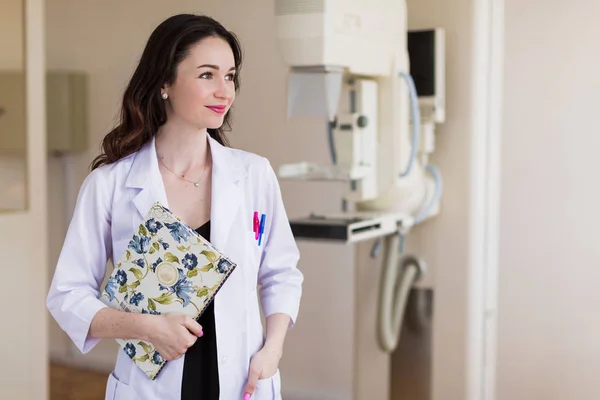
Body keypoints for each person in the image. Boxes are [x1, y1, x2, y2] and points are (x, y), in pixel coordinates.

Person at [46, 13, 303, 400]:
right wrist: (147, 328)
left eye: (230, 76)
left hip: (243, 382)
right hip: (150, 386)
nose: (224, 91)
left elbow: (281, 272)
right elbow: (68, 295)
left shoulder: (253, 175)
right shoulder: (111, 185)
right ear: (164, 82)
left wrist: (274, 348)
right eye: (207, 75)